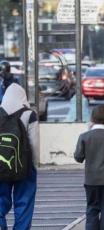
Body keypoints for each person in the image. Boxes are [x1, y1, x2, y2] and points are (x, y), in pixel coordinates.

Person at [0, 83, 39, 230]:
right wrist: (34, 165)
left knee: (0, 198)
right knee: (24, 201)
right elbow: (34, 143)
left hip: (1, 165)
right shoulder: (29, 114)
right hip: (24, 166)